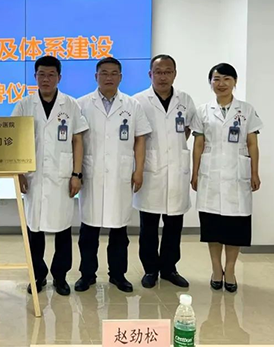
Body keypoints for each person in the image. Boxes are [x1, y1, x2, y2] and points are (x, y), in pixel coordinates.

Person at [12, 56, 88, 296]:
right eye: (41, 75)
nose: (46, 79)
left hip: (62, 175)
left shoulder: (70, 104)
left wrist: (76, 174)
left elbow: (78, 140)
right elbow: (14, 140)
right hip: (33, 177)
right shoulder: (24, 105)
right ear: (35, 77)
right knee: (34, 229)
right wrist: (19, 173)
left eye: (51, 75)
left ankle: (60, 276)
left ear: (59, 77)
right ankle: (37, 274)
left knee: (63, 229)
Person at [76, 57, 152, 293]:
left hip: (121, 174)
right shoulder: (81, 104)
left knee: (119, 231)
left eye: (113, 73)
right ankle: (87, 275)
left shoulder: (132, 105)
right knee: (88, 231)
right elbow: (75, 141)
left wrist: (138, 170)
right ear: (96, 76)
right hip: (92, 173)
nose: (108, 77)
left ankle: (118, 275)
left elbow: (140, 139)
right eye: (104, 73)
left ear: (120, 77)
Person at [191, 63, 262, 293]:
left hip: (237, 174)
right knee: (212, 226)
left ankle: (230, 270)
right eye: (216, 79)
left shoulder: (246, 110)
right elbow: (198, 144)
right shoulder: (203, 110)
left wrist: (254, 172)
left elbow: (252, 143)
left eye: (226, 79)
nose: (221, 84)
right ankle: (216, 269)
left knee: (235, 226)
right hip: (210, 174)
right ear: (210, 82)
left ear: (235, 82)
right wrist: (195, 172)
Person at [133, 55, 196, 289]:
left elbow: (188, 129)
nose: (163, 76)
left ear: (174, 74)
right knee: (148, 226)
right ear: (150, 74)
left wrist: (174, 150)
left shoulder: (185, 100)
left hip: (176, 170)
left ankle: (169, 268)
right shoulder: (139, 101)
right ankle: (150, 269)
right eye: (158, 72)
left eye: (168, 72)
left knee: (174, 225)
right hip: (151, 170)